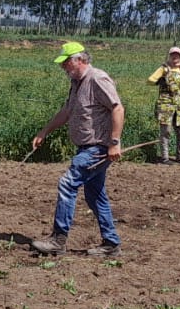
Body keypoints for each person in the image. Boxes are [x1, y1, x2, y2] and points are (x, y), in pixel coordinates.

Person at [29, 41, 125, 257]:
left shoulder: (97, 78)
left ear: (80, 60)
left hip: (97, 148)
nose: (63, 67)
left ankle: (58, 239)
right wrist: (45, 131)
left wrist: (115, 142)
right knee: (95, 195)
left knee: (67, 183)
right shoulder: (76, 83)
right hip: (86, 148)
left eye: (66, 62)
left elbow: (117, 108)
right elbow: (67, 111)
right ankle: (111, 243)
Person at [146, 46, 180, 164]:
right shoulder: (164, 69)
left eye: (177, 55)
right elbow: (149, 80)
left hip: (179, 106)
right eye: (173, 55)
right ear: (169, 56)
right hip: (166, 105)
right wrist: (158, 81)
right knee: (166, 131)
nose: (175, 57)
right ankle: (165, 158)